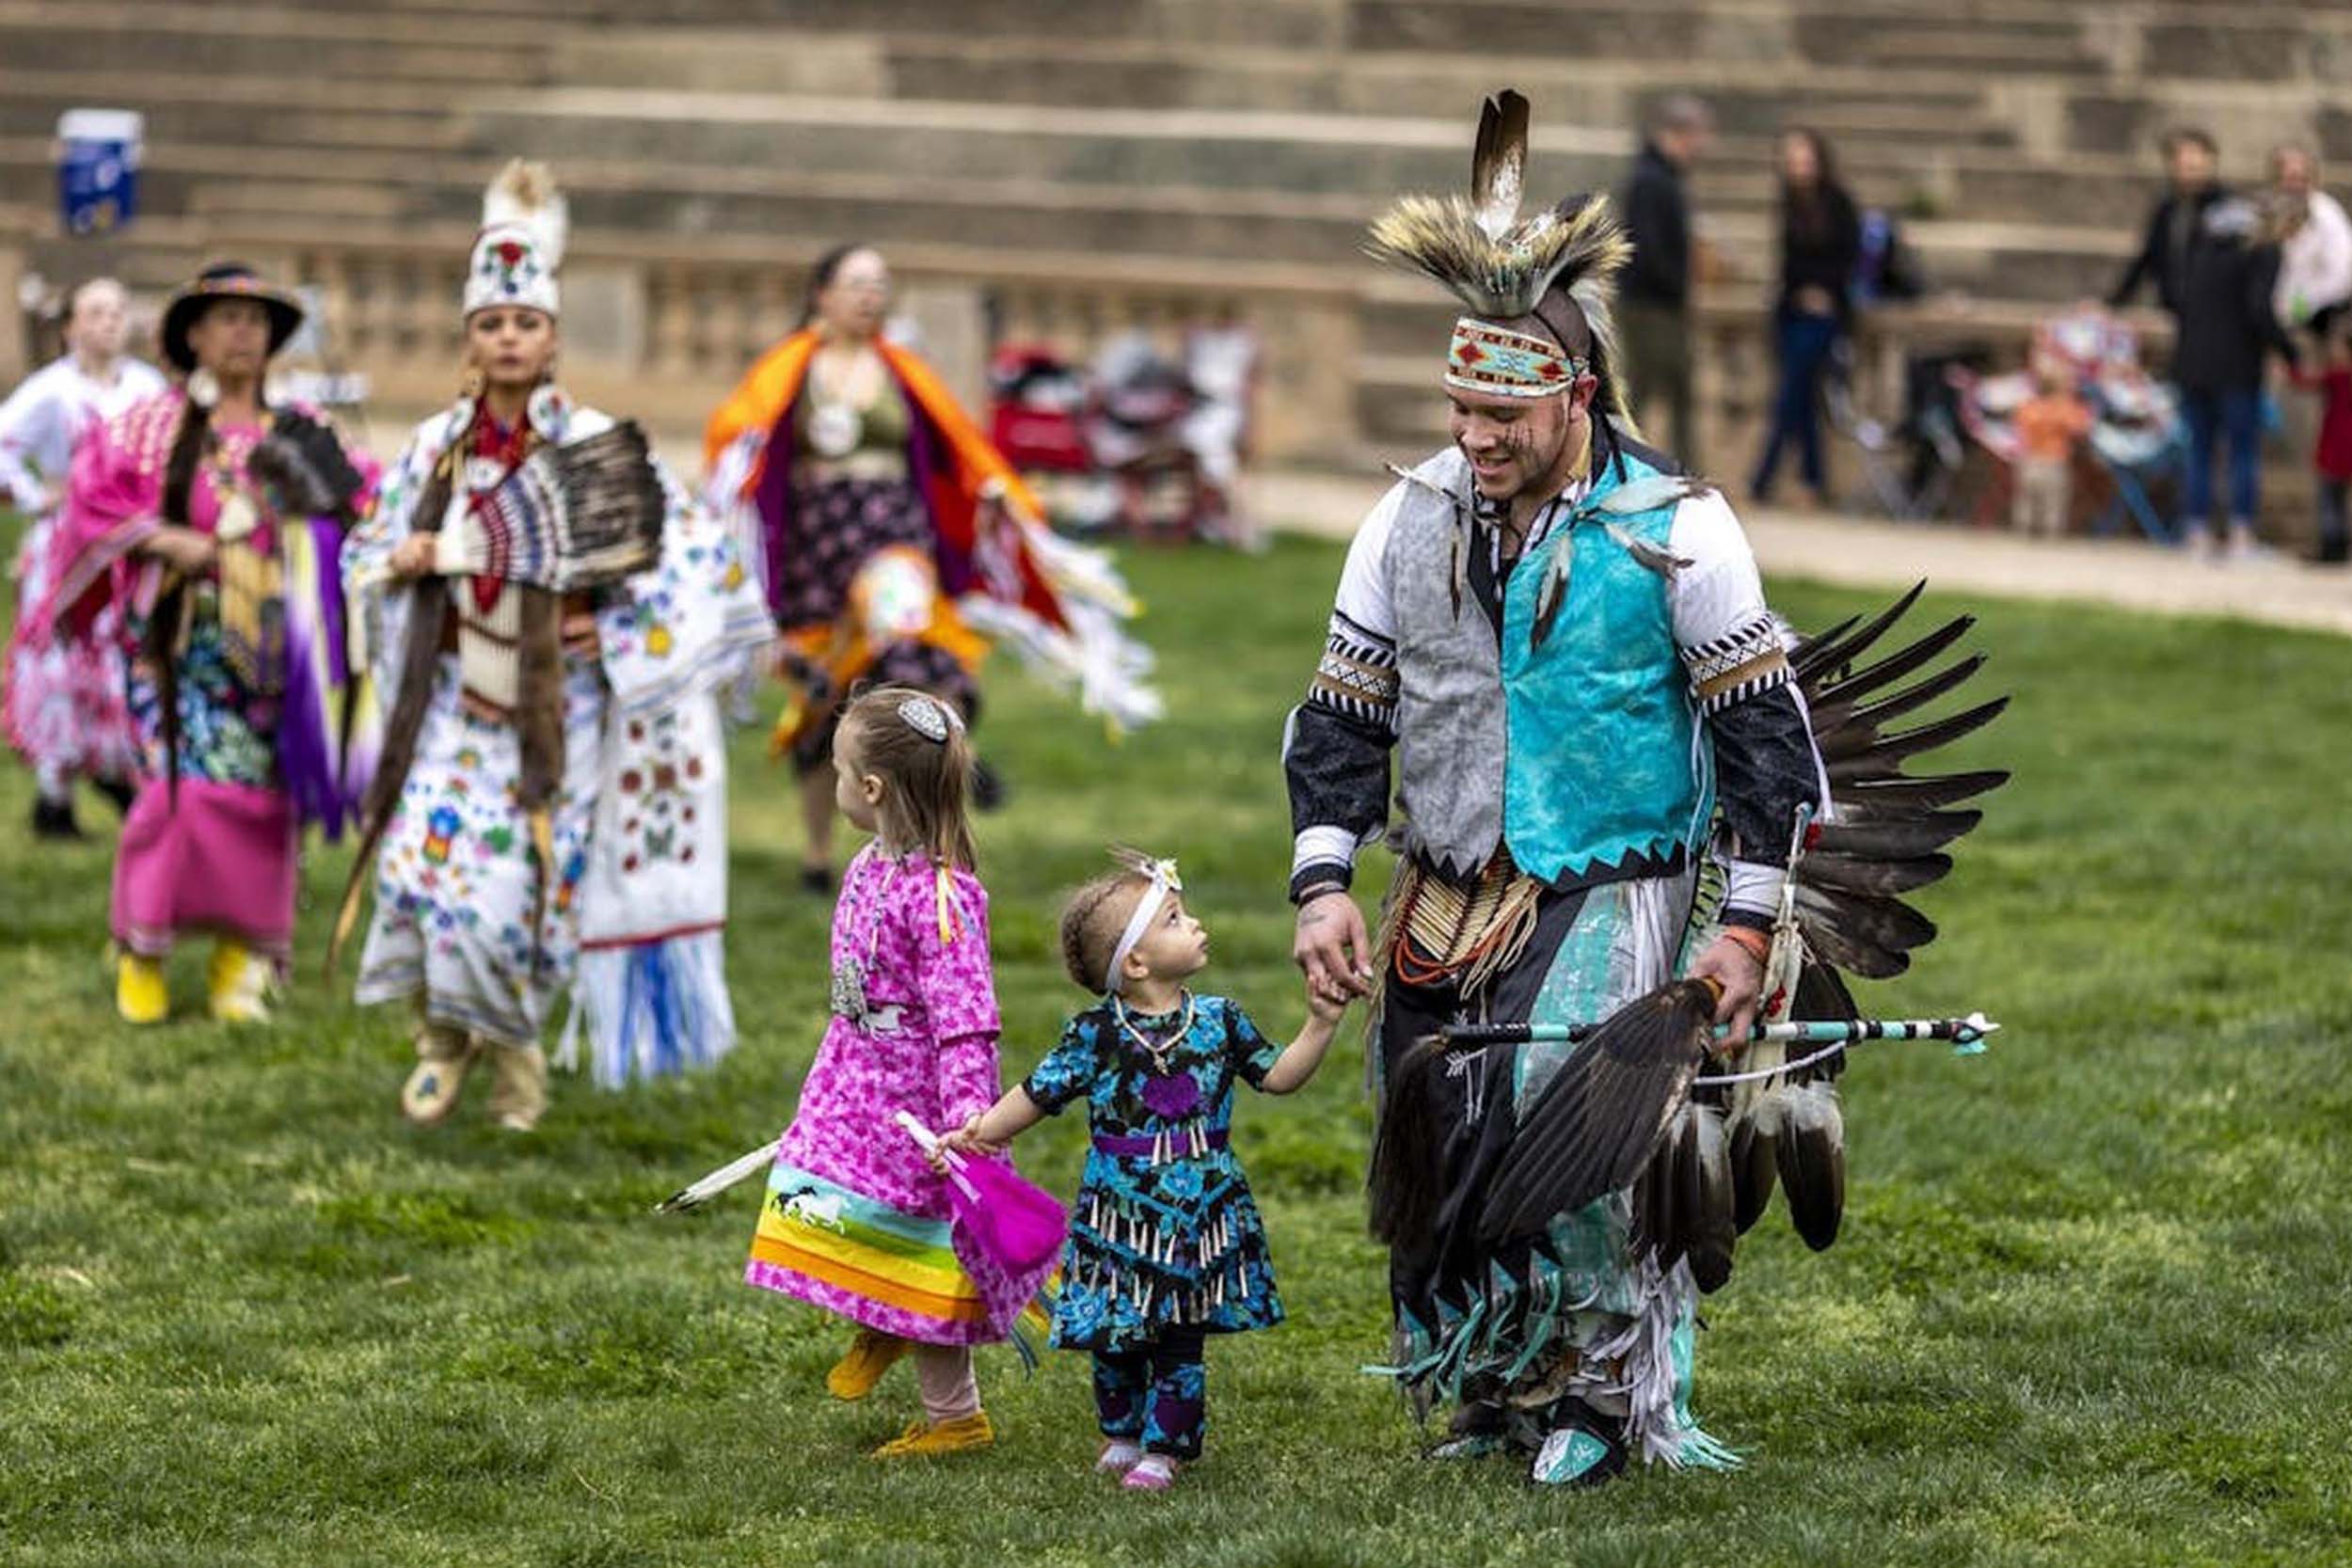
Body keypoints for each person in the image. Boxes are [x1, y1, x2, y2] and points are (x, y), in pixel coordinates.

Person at [1294, 92, 1828, 1484]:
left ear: (1575, 397)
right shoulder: (1403, 519)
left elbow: (1769, 739)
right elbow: (1345, 713)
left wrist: (1751, 924)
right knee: (1442, 1125)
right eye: (1460, 407)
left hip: (1615, 874)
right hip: (1446, 878)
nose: (1474, 435)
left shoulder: (1679, 530)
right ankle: (1492, 1374)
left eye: (1504, 412)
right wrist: (1320, 880)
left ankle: (1603, 1383)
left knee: (1566, 1116)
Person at [340, 163, 773, 1132]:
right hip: (452, 696)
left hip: (558, 710)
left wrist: (605, 622)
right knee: (416, 872)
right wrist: (402, 554)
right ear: (469, 338)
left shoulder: (593, 444)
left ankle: (515, 1054)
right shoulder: (434, 447)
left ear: (551, 337)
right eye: (490, 324)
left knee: (514, 895)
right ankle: (441, 1039)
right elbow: (365, 547)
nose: (506, 339)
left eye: (523, 323)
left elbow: (688, 559)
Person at [703, 244, 1158, 891]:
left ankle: (946, 771)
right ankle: (815, 857)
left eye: (881, 285)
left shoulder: (902, 370)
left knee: (910, 638)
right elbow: (736, 446)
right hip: (816, 545)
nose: (871, 296)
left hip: (891, 533)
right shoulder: (787, 371)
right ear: (821, 294)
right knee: (824, 695)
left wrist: (993, 498)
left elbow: (958, 448)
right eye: (858, 284)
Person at [946, 850, 1343, 1492]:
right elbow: (1037, 1093)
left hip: (1199, 1208)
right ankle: (1123, 1431)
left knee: (1181, 1334)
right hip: (1120, 1209)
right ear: (1135, 962)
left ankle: (1167, 1446)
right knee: (1115, 1330)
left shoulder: (1220, 1020)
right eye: (1176, 918)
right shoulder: (1095, 1034)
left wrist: (1321, 1023)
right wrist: (979, 1133)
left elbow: (1278, 1074)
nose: (1196, 923)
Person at [46, 262, 373, 1025]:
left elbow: (361, 505)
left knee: (264, 803)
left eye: (256, 322)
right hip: (178, 646)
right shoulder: (148, 427)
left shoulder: (304, 433)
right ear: (192, 335)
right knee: (177, 797)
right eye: (224, 318)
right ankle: (143, 952)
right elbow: (92, 502)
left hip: (275, 651)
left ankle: (241, 962)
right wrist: (165, 540)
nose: (241, 334)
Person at [744, 687, 1052, 1459]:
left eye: (840, 769)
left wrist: (965, 1126)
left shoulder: (943, 898)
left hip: (920, 1110)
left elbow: (966, 1023)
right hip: (855, 1085)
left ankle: (954, 1416)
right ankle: (880, 1318)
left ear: (871, 789)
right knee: (832, 1195)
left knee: (921, 1247)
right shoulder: (868, 866)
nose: (835, 780)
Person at [1, 277, 165, 838]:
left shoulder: (146, 387)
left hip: (129, 550)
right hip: (66, 551)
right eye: (95, 312)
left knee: (123, 658)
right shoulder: (51, 391)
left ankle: (120, 769)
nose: (109, 321)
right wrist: (33, 493)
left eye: (118, 311)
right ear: (70, 326)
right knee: (60, 664)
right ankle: (55, 797)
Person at [2111, 127, 2297, 559]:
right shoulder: (2259, 249)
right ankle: (2240, 536)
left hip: (2192, 357)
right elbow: (2258, 308)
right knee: (2241, 454)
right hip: (2234, 364)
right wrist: (2288, 352)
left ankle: (2195, 533)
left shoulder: (2207, 242)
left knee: (2198, 452)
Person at [1748, 126, 1861, 508]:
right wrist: (1801, 292)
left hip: (1825, 316)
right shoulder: (1789, 204)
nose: (1798, 167)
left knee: (1789, 399)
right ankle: (1814, 482)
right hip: (1792, 311)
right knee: (1800, 401)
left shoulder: (1839, 203)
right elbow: (1788, 264)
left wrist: (1823, 292)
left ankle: (1761, 482)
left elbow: (1848, 259)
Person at [1617, 95, 1712, 468]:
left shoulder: (1664, 178)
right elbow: (1647, 248)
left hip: (1662, 302)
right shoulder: (1650, 181)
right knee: (1644, 390)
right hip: (1651, 305)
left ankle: (1684, 470)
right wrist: (1677, 287)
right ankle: (1624, 467)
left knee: (1678, 392)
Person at [2266, 143, 2352, 337]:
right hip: (2271, 323)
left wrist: (2299, 308)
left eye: (2302, 179)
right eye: (2289, 179)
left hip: (2314, 321)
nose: (2296, 186)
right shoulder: (2269, 211)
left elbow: (2341, 274)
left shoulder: (2326, 214)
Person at [2287, 311, 2352, 564]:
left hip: (2335, 448)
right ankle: (2340, 544)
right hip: (2345, 450)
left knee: (2329, 500)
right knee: (2340, 500)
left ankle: (2331, 545)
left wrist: (2289, 368)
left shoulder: (2338, 377)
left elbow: (2305, 382)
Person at [2010, 357, 2093, 538]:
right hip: (2054, 461)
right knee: (2053, 501)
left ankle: (2023, 531)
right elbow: (2081, 427)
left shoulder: (2028, 406)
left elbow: (2019, 424)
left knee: (2026, 499)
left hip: (2028, 461)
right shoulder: (2064, 408)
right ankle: (2051, 535)